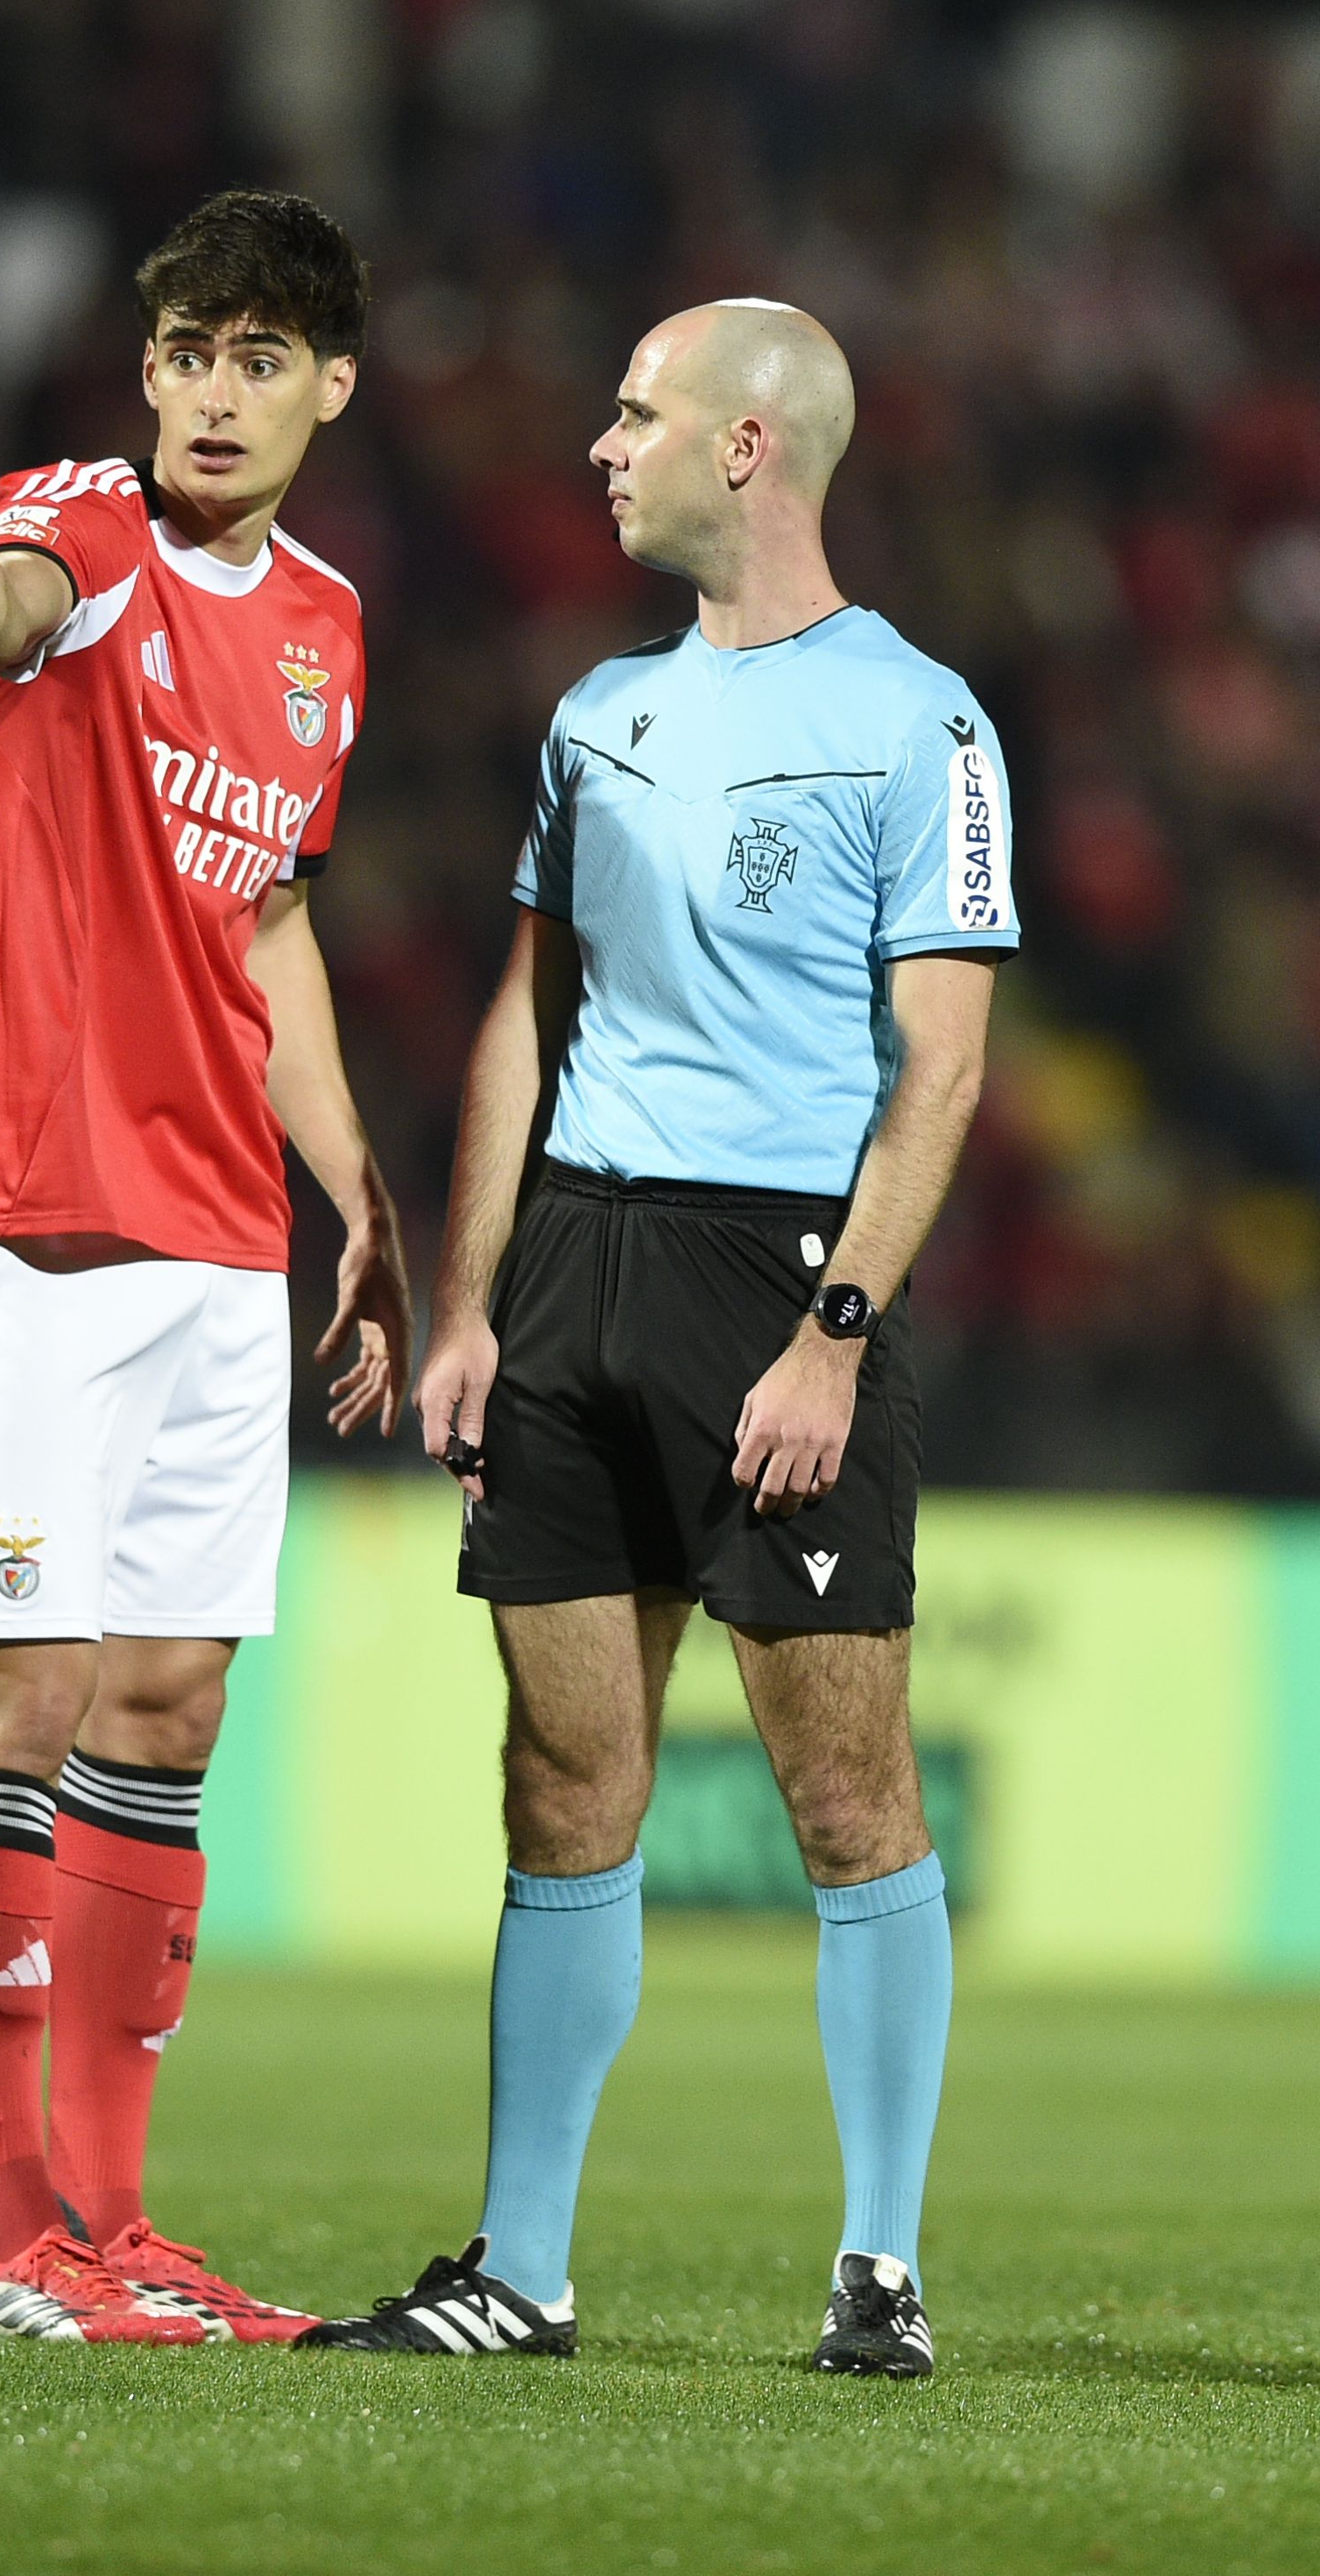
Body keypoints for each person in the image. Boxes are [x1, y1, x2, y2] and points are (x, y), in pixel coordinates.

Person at [301, 300, 1013, 2376]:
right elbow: (534, 1013)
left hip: (770, 1275)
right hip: (573, 1274)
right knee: (561, 1775)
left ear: (753, 449)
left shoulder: (920, 721)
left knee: (847, 1791)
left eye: (637, 413)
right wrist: (465, 1301)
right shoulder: (595, 710)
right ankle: (519, 2268)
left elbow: (942, 1072)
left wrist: (833, 1335)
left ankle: (879, 2268)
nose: (601, 446)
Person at [0, 187, 411, 2348]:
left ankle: (115, 2220)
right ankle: (12, 2243)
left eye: (257, 358)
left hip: (214, 1229)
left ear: (327, 386)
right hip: (19, 1212)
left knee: (169, 1704)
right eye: (186, 349)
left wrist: (354, 1186)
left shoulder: (326, 627)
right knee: (27, 1688)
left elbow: (265, 913)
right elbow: (6, 615)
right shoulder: (72, 517)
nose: (208, 391)